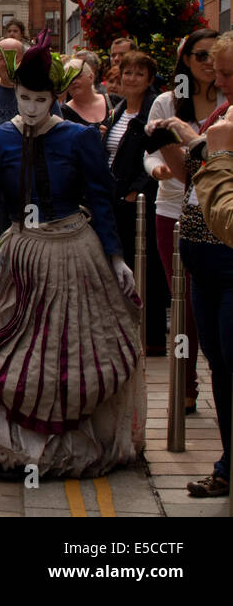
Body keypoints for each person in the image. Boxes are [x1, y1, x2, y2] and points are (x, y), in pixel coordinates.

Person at [0, 32, 141, 477]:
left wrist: (117, 258)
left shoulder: (80, 139)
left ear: (55, 98)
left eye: (39, 100)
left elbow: (101, 201)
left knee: (74, 348)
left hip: (75, 249)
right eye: (23, 97)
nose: (29, 108)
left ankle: (66, 432)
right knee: (9, 343)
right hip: (19, 251)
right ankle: (9, 434)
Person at [146, 29, 223, 411]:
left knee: (208, 305)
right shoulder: (167, 102)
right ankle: (187, 384)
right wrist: (159, 167)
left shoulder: (228, 100)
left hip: (221, 215)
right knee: (185, 304)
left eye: (215, 56)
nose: (209, 64)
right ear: (185, 61)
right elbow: (151, 153)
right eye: (201, 56)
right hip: (174, 211)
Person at [102, 51, 167, 353]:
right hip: (114, 199)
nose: (131, 79)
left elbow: (158, 156)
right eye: (127, 73)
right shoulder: (116, 109)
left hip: (139, 203)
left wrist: (134, 194)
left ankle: (151, 338)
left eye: (139, 74)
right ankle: (120, 332)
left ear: (150, 80)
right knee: (118, 267)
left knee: (146, 269)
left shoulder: (154, 112)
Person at [187, 100, 233, 498]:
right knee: (219, 364)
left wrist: (217, 155)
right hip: (205, 270)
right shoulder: (223, 116)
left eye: (228, 74)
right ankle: (227, 464)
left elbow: (229, 219)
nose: (222, 84)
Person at [60, 56, 112, 125]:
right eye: (68, 79)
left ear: (91, 77)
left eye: (78, 76)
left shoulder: (112, 100)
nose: (73, 82)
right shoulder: (63, 113)